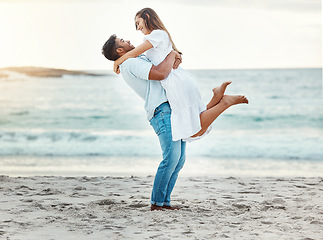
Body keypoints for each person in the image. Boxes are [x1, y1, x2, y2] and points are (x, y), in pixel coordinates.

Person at [102, 34, 248, 211]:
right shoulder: (130, 63)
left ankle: (164, 202)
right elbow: (160, 73)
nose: (129, 41)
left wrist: (173, 55)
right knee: (171, 158)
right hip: (161, 111)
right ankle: (157, 203)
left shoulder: (132, 59)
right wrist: (172, 54)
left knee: (179, 160)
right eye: (123, 42)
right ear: (119, 50)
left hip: (170, 108)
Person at [112, 8, 248, 142]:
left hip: (174, 82)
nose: (137, 28)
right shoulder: (159, 36)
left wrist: (116, 62)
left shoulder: (156, 35)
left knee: (193, 130)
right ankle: (216, 96)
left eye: (138, 23)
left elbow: (133, 53)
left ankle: (225, 103)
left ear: (147, 17)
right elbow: (139, 54)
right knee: (194, 117)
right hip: (180, 79)